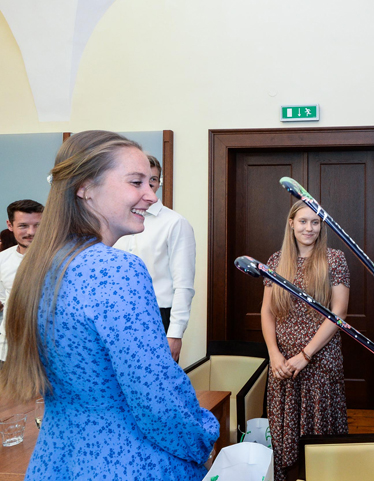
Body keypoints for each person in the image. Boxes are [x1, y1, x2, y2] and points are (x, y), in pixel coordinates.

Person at [0, 130, 218, 479]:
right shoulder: (116, 270)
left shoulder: (42, 264)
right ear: (85, 187)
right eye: (136, 182)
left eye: (151, 182)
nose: (150, 195)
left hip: (59, 459)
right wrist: (203, 440)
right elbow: (156, 398)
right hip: (126, 461)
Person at [260, 199, 350, 481]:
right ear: (291, 223)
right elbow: (267, 311)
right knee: (284, 434)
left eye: (315, 222)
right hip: (283, 366)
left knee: (318, 437)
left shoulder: (334, 259)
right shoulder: (276, 261)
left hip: (320, 363)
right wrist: (274, 354)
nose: (309, 228)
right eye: (302, 221)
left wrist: (306, 354)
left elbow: (339, 312)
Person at [114, 155, 196, 362]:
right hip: (117, 312)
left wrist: (175, 333)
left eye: (153, 179)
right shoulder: (115, 220)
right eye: (139, 180)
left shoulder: (175, 223)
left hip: (158, 315)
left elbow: (184, 284)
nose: (148, 184)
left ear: (159, 183)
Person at [0, 200, 43, 367]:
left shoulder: (60, 260)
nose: (31, 232)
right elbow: (5, 299)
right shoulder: (2, 260)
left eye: (37, 225)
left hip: (51, 352)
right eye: (23, 226)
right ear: (10, 225)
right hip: (9, 350)